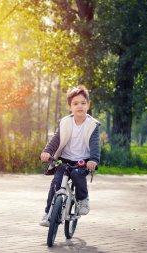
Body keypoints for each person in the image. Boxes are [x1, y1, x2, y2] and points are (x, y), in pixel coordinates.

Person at [39, 85, 100, 227]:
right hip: (64, 159)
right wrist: (47, 152)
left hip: (83, 160)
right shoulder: (65, 122)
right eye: (75, 103)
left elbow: (95, 145)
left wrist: (93, 160)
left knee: (78, 175)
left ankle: (83, 199)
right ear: (70, 107)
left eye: (83, 103)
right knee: (56, 182)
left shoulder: (92, 125)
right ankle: (48, 213)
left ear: (88, 105)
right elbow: (56, 139)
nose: (80, 106)